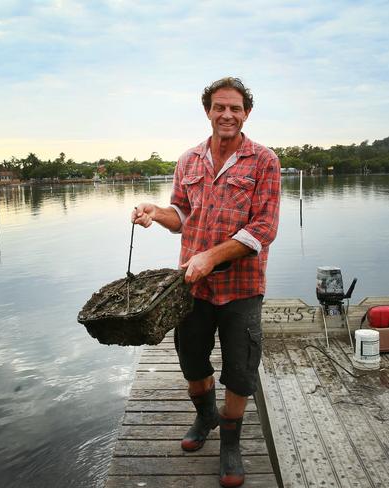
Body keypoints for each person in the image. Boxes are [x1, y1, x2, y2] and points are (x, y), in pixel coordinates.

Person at [132, 77, 280, 488]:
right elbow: (180, 215)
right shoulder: (188, 160)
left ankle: (230, 442)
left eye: (235, 108)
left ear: (246, 113)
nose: (227, 114)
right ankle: (205, 417)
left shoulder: (264, 161)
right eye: (219, 107)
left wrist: (211, 256)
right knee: (192, 362)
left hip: (242, 288)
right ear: (208, 111)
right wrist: (153, 212)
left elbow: (263, 229)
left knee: (240, 371)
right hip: (192, 287)